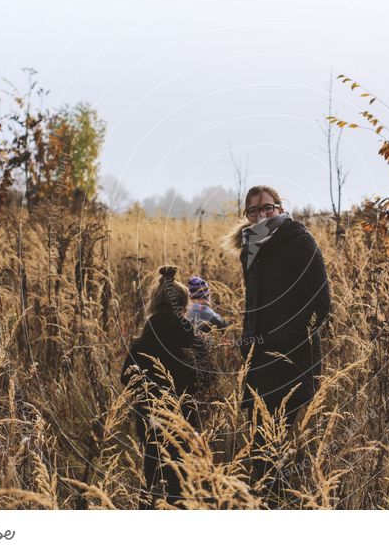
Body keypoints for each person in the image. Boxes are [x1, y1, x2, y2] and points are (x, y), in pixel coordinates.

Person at [227, 185, 331, 499]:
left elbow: (321, 303)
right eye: (253, 210)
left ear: (279, 208)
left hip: (290, 358)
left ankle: (276, 500)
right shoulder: (250, 247)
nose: (260, 215)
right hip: (258, 359)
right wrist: (249, 342)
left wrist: (283, 339)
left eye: (267, 208)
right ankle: (269, 497)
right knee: (262, 437)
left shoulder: (299, 241)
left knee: (272, 436)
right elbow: (254, 304)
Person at [121, 265, 214, 509]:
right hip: (184, 419)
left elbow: (126, 376)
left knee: (151, 471)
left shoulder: (144, 341)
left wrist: (146, 394)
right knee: (180, 475)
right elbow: (210, 378)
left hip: (149, 417)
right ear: (184, 307)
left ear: (153, 303)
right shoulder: (193, 341)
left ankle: (147, 507)